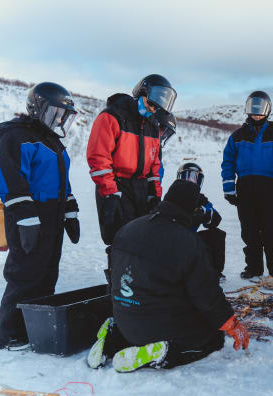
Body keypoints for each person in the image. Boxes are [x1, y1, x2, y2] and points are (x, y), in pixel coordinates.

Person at [87, 179, 249, 372]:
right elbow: (206, 294)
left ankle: (111, 339)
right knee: (212, 338)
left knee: (145, 312)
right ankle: (163, 351)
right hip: (158, 327)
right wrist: (230, 322)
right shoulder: (187, 241)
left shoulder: (128, 229)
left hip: (124, 321)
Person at [0, 82, 80, 350]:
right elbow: (9, 180)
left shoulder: (54, 142)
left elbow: (64, 183)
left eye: (63, 115)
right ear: (37, 108)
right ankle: (8, 334)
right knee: (24, 275)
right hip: (29, 216)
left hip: (52, 215)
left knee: (46, 274)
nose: (60, 119)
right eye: (56, 113)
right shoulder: (17, 137)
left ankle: (34, 327)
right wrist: (25, 218)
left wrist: (70, 212)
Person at [86, 74, 177, 285]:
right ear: (141, 94)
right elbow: (99, 157)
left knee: (145, 238)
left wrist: (154, 193)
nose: (153, 110)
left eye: (157, 108)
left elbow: (155, 163)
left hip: (140, 186)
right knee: (121, 239)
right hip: (117, 185)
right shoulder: (112, 117)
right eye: (150, 105)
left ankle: (141, 287)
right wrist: (110, 193)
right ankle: (120, 288)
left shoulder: (152, 124)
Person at [221, 91, 273, 279]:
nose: (256, 114)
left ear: (267, 111)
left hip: (269, 188)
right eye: (253, 110)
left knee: (271, 230)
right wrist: (229, 188)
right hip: (244, 188)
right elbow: (228, 162)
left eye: (260, 111)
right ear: (248, 110)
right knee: (249, 230)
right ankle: (253, 269)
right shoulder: (237, 136)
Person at [177, 162, 226, 281]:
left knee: (216, 234)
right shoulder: (174, 196)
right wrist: (192, 217)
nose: (192, 182)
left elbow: (216, 219)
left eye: (196, 179)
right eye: (188, 177)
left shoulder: (200, 199)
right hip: (176, 240)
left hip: (192, 240)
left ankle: (215, 272)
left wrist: (205, 213)